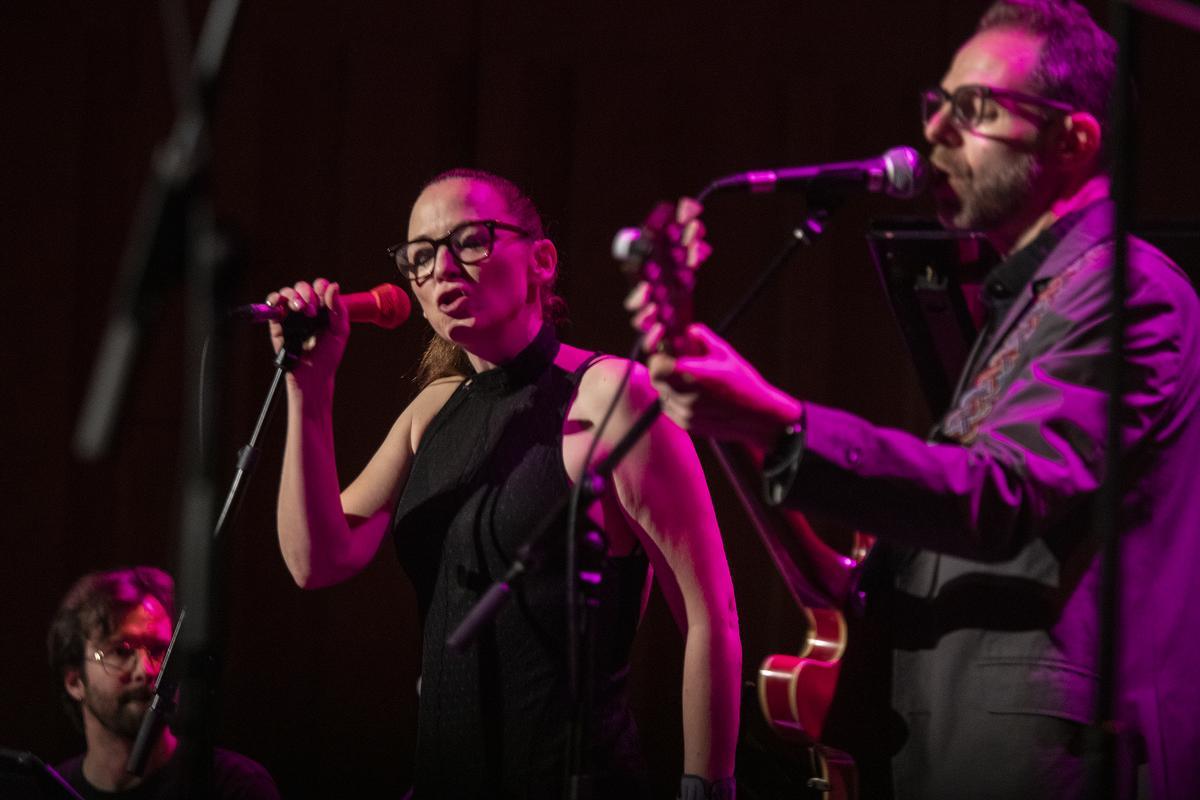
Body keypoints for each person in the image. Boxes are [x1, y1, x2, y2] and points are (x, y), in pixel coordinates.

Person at [633, 1, 1200, 798]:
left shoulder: (1128, 291)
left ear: (1073, 140)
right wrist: (739, 421)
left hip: (1043, 760)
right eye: (938, 106)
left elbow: (1002, 494)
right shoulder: (1037, 301)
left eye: (975, 109)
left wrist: (775, 417)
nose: (933, 134)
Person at [268, 168, 740, 798]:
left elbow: (711, 614)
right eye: (421, 255)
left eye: (470, 240)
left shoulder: (610, 396)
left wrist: (706, 788)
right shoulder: (431, 412)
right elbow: (315, 559)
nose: (441, 268)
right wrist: (310, 388)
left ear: (541, 260)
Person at [47, 566, 281, 799]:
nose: (147, 669)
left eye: (159, 650)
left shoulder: (236, 786)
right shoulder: (48, 791)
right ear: (75, 681)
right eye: (121, 651)